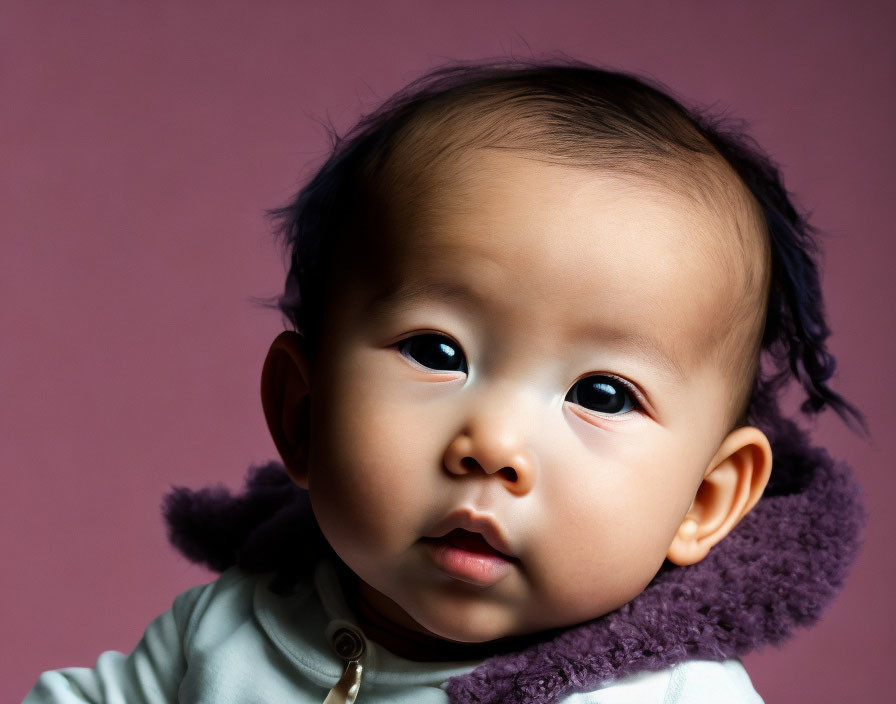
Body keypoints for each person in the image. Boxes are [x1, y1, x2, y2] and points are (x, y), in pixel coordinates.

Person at [24, 61, 865, 703]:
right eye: (437, 351)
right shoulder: (228, 634)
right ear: (302, 411)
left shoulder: (668, 697)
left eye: (602, 394)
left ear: (704, 501)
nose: (493, 446)